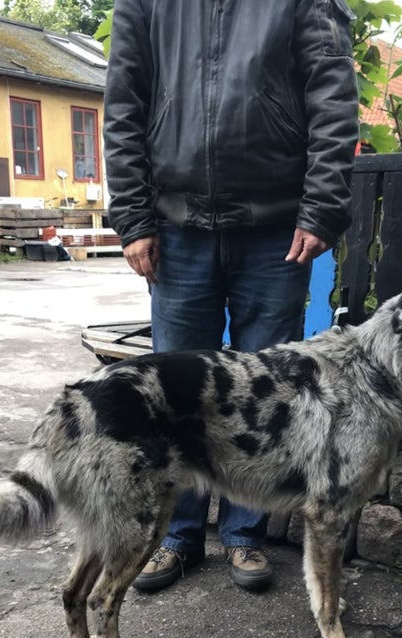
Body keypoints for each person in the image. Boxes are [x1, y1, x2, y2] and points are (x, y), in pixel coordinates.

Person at [102, 0, 359, 594]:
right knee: (175, 393)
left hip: (276, 228)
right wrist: (134, 220)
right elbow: (122, 107)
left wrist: (321, 209)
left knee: (266, 392)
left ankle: (246, 536)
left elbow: (332, 97)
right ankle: (178, 535)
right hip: (175, 227)